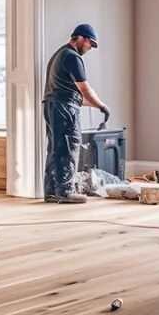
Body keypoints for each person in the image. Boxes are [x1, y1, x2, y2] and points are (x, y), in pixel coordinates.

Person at [42, 23, 111, 204]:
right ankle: (65, 191)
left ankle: (51, 191)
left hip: (52, 105)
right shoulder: (73, 57)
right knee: (68, 146)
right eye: (89, 43)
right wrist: (103, 105)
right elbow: (85, 91)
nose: (89, 48)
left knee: (55, 148)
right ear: (80, 38)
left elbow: (77, 96)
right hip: (65, 109)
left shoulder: (58, 54)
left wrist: (97, 107)